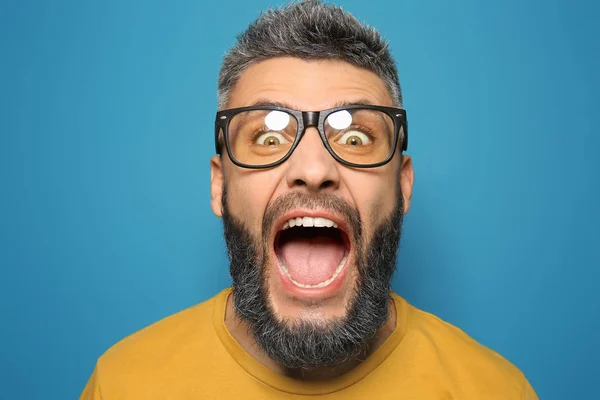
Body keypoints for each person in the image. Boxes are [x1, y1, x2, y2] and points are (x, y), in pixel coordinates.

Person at [80, 1, 537, 398]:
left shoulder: (495, 390)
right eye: (270, 138)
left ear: (403, 185)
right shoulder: (123, 384)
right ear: (220, 185)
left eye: (356, 138)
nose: (314, 171)